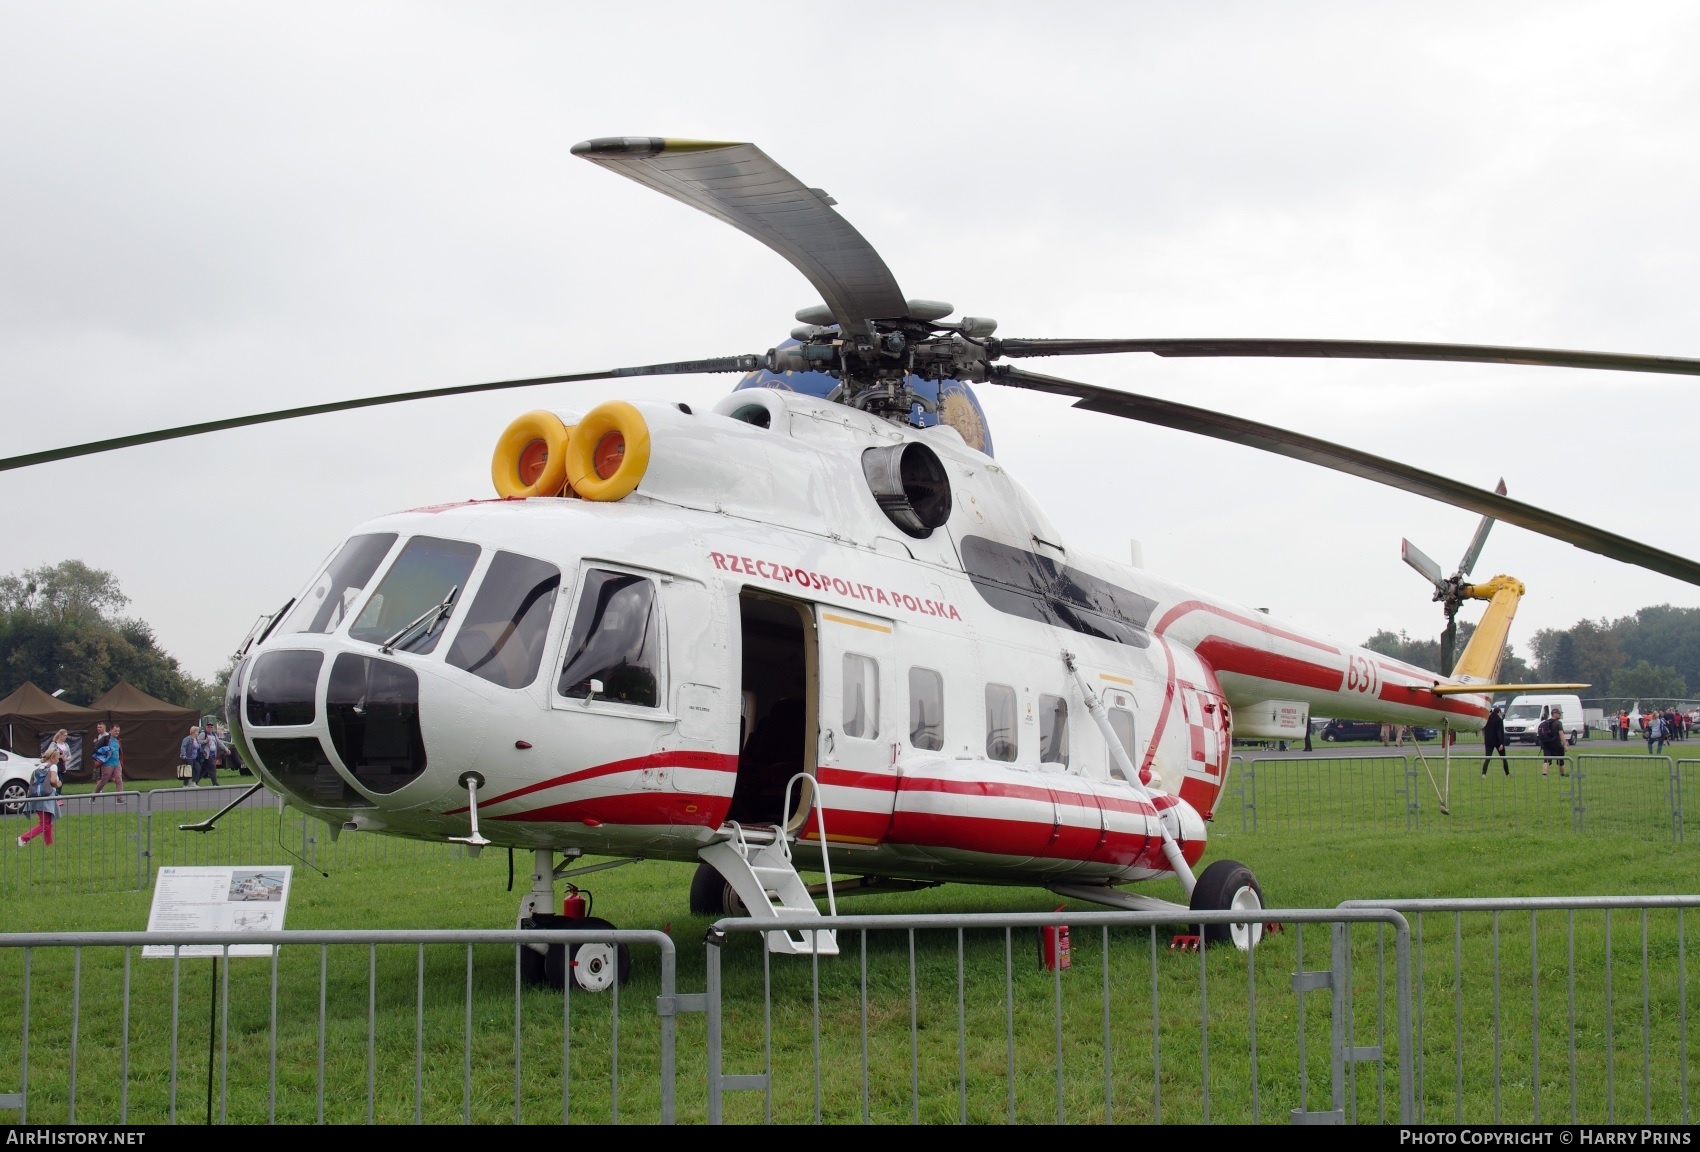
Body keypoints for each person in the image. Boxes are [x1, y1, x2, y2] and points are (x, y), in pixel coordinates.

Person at [17, 745, 64, 847]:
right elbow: (52, 781)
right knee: (44, 824)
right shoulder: (53, 766)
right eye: (57, 758)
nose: (58, 760)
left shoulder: (38, 767)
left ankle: (48, 844)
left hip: (36, 797)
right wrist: (58, 784)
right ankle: (23, 838)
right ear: (52, 758)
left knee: (48, 822)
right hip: (47, 797)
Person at [92, 724, 124, 793]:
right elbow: (95, 749)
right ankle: (93, 795)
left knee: (119, 780)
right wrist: (104, 751)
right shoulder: (105, 739)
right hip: (107, 764)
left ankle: (120, 799)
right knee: (104, 781)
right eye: (115, 731)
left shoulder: (118, 740)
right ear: (111, 730)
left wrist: (121, 761)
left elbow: (119, 751)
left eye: (118, 731)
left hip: (117, 763)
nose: (117, 732)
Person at [1538, 708, 1568, 776]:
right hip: (1557, 745)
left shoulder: (1545, 723)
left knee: (1547, 761)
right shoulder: (1558, 723)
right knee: (1561, 761)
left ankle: (1544, 775)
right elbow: (1561, 734)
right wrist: (1565, 744)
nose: (1560, 715)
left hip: (1546, 745)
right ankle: (1562, 775)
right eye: (1558, 713)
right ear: (1554, 714)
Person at [1482, 706, 1510, 775]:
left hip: (1489, 741)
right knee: (1503, 758)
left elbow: (1484, 730)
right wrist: (1501, 743)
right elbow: (1499, 732)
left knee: (1487, 758)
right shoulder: (1499, 720)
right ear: (1499, 712)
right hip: (1498, 742)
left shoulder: (1488, 719)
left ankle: (1483, 774)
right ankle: (1507, 773)